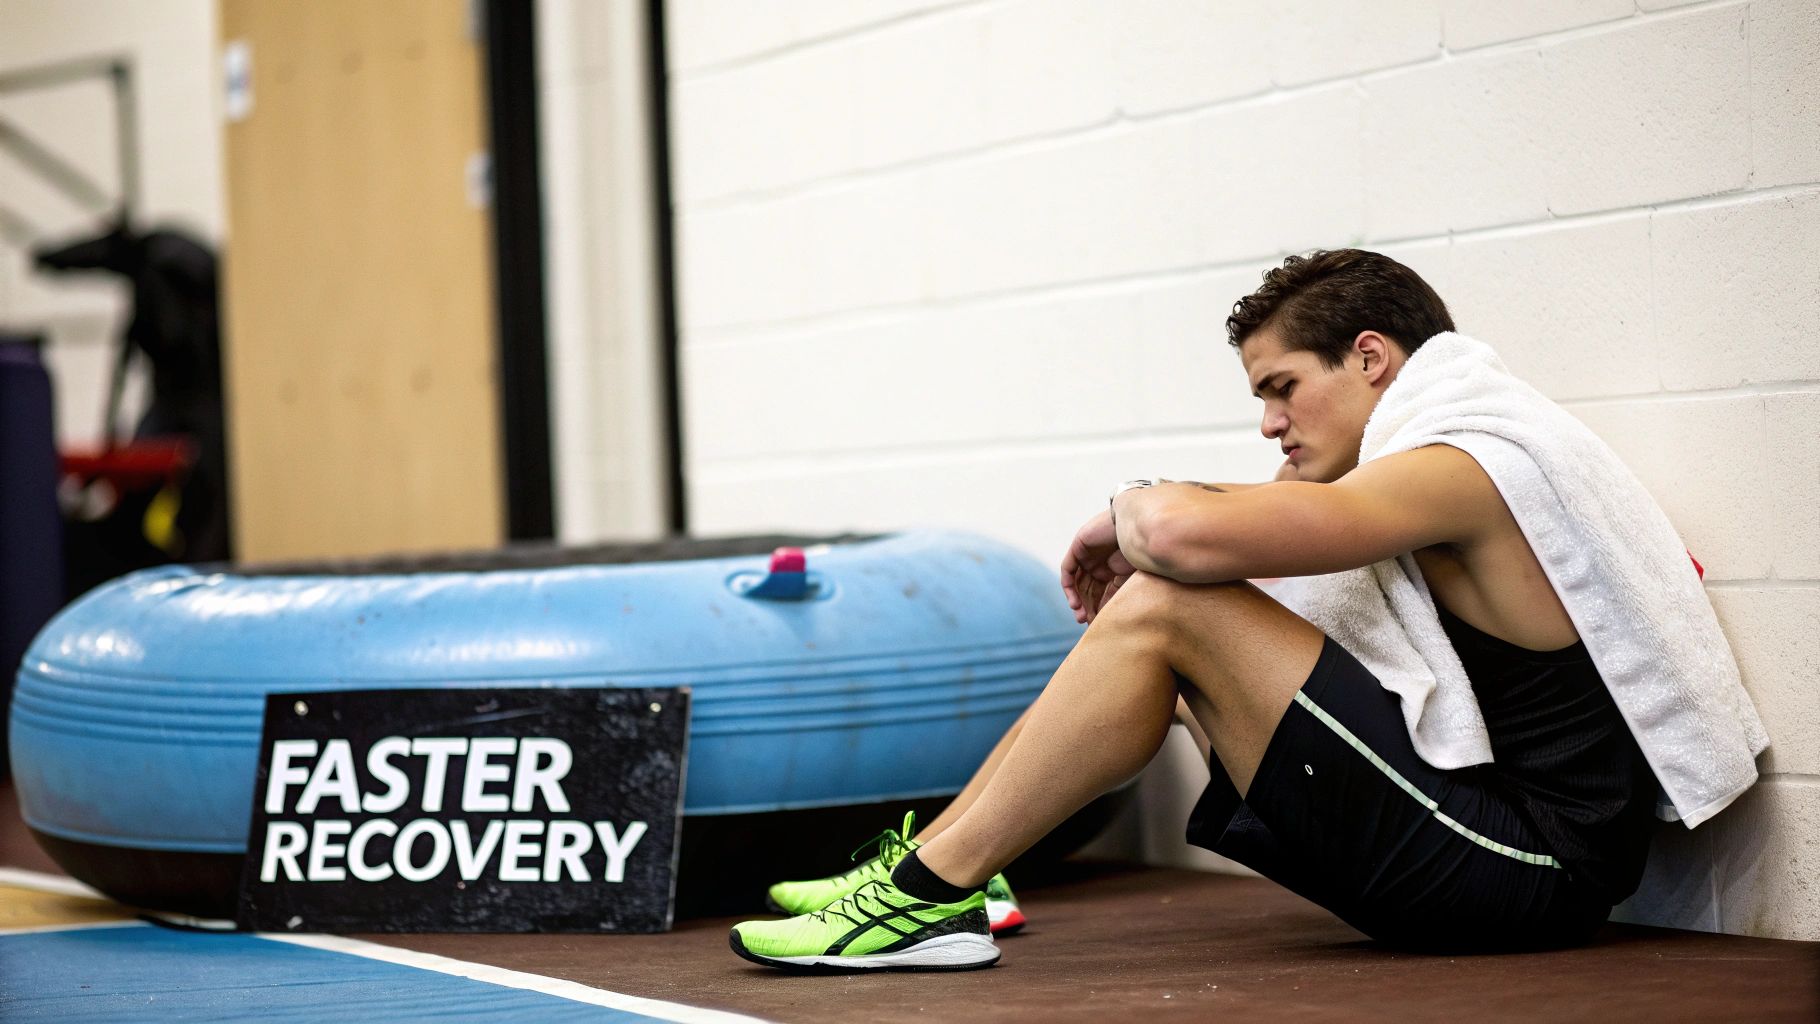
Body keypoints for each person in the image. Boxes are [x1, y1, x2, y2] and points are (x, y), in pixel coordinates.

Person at [728, 249, 1762, 971]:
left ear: (1369, 358)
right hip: (1490, 851)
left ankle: (925, 889)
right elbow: (1221, 524)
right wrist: (1144, 527)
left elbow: (1180, 535)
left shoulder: (1459, 466)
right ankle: (946, 872)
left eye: (1280, 387)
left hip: (1526, 871)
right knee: (1162, 619)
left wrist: (1117, 512)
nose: (1269, 423)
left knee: (1172, 604)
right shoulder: (1441, 455)